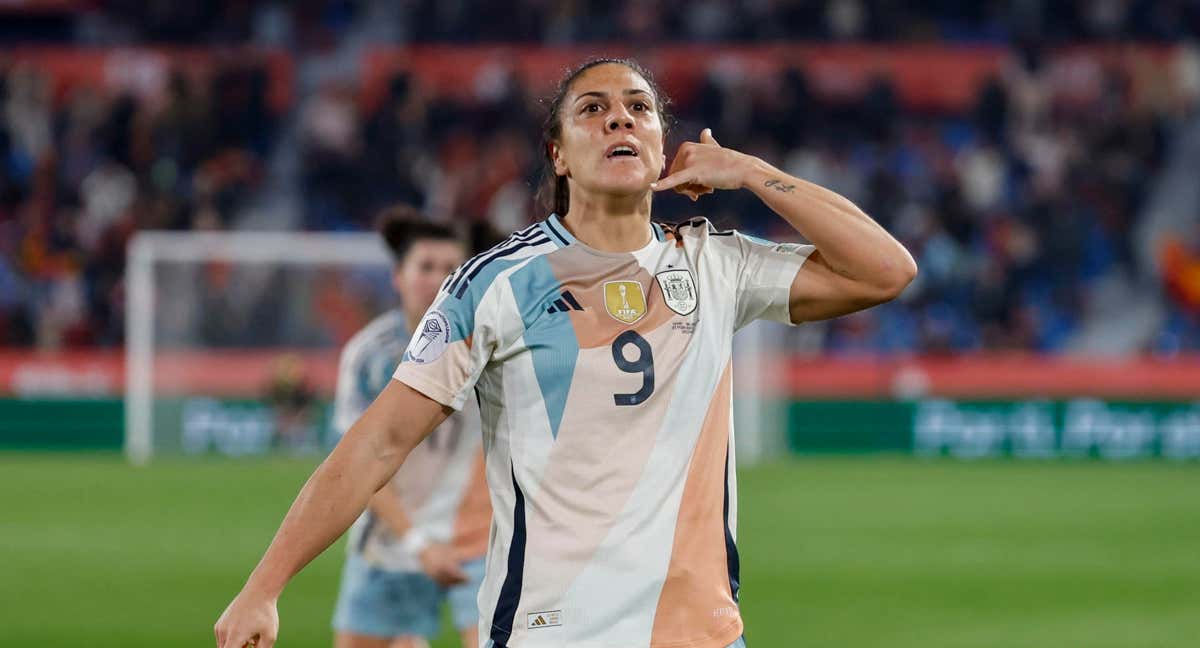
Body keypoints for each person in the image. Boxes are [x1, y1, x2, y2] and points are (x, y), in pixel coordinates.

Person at [215, 58, 917, 648]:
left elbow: (886, 271)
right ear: (558, 153)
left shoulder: (716, 265)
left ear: (663, 142)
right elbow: (377, 443)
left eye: (639, 107)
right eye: (593, 108)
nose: (620, 119)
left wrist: (751, 171)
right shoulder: (494, 284)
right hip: (549, 631)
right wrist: (263, 587)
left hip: (696, 632)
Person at [330, 207, 490, 648]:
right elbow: (359, 466)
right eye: (426, 267)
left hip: (476, 545)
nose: (439, 279)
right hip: (390, 544)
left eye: (452, 269)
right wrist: (419, 542)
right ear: (398, 277)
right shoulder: (369, 357)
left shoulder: (494, 348)